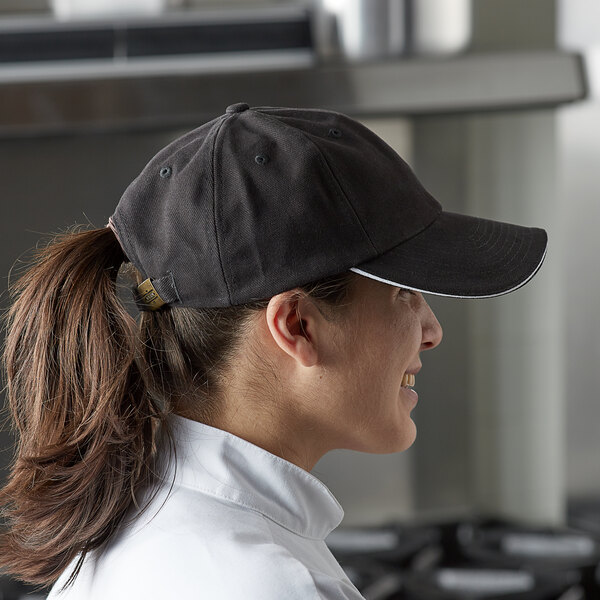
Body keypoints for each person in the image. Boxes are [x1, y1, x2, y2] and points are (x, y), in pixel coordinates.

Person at [0, 103, 547, 599]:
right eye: (404, 292)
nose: (432, 330)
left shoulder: (143, 529)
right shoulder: (264, 585)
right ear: (297, 326)